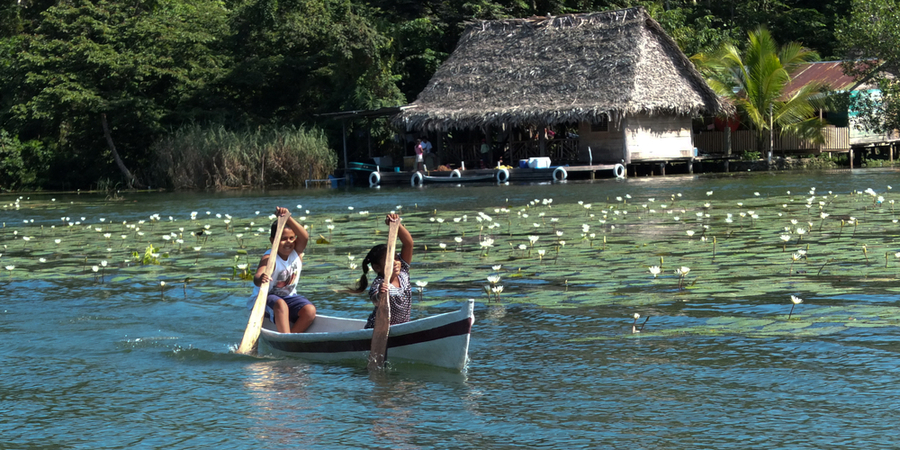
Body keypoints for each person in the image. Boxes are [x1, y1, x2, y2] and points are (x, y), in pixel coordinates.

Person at [248, 206, 315, 333]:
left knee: (310, 310)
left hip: (288, 297)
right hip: (265, 298)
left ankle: (292, 337)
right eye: (283, 239)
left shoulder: (296, 252)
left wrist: (288, 218)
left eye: (291, 238)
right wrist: (261, 278)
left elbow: (304, 237)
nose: (288, 242)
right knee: (281, 305)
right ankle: (285, 336)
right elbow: (257, 277)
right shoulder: (270, 258)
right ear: (273, 241)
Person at [347, 214, 414, 328]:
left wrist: (396, 224)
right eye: (389, 260)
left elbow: (408, 244)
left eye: (396, 258)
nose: (395, 262)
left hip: (401, 327)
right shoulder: (379, 283)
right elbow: (375, 299)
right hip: (378, 329)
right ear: (377, 267)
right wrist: (380, 295)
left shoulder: (403, 271)